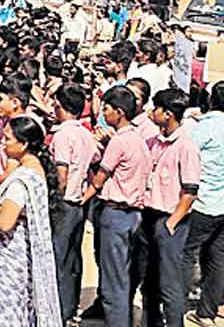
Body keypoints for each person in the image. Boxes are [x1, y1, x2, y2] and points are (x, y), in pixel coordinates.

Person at [0, 116, 62, 327]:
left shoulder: (21, 180)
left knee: (6, 317)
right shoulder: (36, 171)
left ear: (23, 144)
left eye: (7, 139)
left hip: (8, 264)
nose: (3, 143)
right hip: (20, 257)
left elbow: (6, 222)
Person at [79, 86, 150, 327]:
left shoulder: (119, 142)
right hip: (132, 214)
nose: (104, 114)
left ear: (119, 112)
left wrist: (81, 198)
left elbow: (99, 180)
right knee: (122, 274)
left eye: (107, 109)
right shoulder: (138, 140)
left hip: (115, 212)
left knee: (113, 279)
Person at [137, 88, 199, 327]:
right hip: (150, 215)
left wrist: (171, 223)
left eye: (156, 108)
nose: (152, 112)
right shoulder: (153, 142)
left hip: (171, 219)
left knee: (169, 283)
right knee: (149, 280)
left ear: (168, 114)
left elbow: (190, 192)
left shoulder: (186, 147)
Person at [49, 83, 96, 321]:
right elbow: (95, 161)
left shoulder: (62, 135)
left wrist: (55, 196)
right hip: (79, 203)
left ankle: (56, 310)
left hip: (64, 204)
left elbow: (61, 174)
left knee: (57, 258)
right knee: (73, 258)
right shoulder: (86, 134)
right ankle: (69, 307)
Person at [188, 81, 224, 327]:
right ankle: (207, 312)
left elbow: (185, 153)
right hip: (222, 204)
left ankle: (173, 306)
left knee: (183, 254)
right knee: (217, 257)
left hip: (203, 202)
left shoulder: (204, 128)